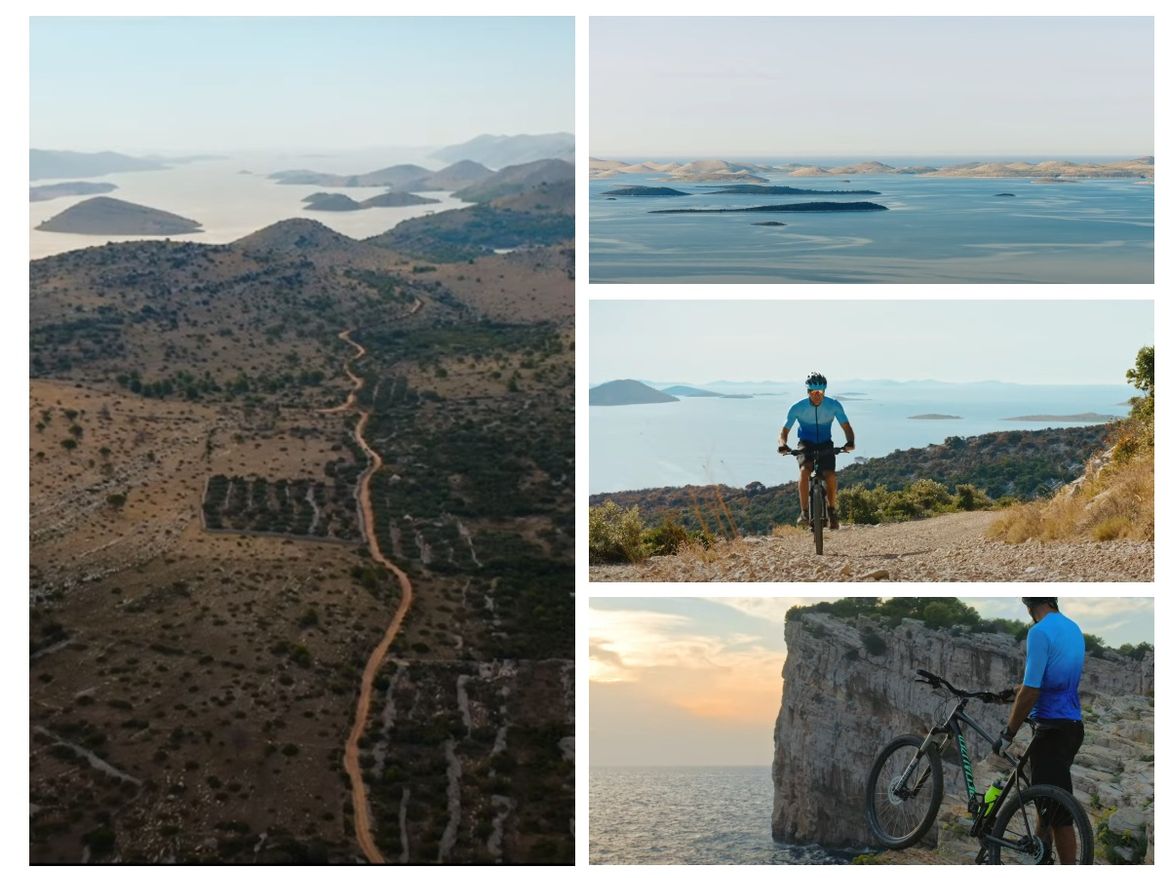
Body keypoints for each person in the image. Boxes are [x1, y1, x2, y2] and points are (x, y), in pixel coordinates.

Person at [994, 597, 1085, 864]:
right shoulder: (1073, 628)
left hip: (1051, 728)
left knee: (1059, 815)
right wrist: (1014, 691)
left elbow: (1032, 689)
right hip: (1072, 727)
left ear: (1029, 606)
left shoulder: (1039, 631)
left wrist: (1008, 734)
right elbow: (1052, 679)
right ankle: (1040, 857)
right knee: (1046, 802)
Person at [777, 372, 855, 528]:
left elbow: (846, 427)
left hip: (825, 444)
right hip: (806, 444)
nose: (817, 395)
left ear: (824, 391)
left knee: (830, 475)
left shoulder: (834, 406)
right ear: (808, 392)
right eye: (813, 392)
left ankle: (832, 511)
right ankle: (805, 512)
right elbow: (784, 431)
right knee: (805, 471)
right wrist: (782, 444)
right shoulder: (797, 408)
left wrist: (850, 441)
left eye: (820, 392)